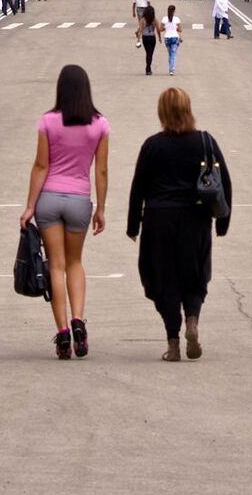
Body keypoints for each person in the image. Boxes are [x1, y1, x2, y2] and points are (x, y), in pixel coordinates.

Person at [127, 87, 232, 362]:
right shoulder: (204, 142)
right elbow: (225, 183)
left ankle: (173, 342)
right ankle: (193, 321)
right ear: (188, 109)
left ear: (161, 112)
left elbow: (138, 187)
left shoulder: (152, 145)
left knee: (163, 280)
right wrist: (222, 224)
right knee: (194, 275)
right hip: (195, 219)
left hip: (158, 220)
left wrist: (132, 227)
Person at [19, 65, 111, 360]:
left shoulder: (48, 121)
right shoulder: (99, 124)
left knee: (54, 265)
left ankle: (61, 333)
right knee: (74, 262)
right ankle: (78, 322)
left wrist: (30, 205)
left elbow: (41, 166)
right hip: (79, 199)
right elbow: (102, 170)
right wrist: (101, 207)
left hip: (48, 199)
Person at [135, 5, 159, 76]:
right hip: (152, 37)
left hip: (145, 38)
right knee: (150, 53)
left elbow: (140, 30)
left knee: (147, 53)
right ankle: (148, 68)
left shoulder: (143, 19)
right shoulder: (154, 19)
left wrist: (138, 40)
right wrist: (160, 37)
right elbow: (158, 29)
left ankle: (148, 68)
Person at [161, 4, 183, 76]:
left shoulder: (164, 19)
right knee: (173, 54)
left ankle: (171, 68)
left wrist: (166, 27)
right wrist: (175, 27)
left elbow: (161, 29)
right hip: (174, 37)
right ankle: (171, 69)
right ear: (174, 11)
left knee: (170, 54)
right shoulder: (177, 19)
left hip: (167, 38)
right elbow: (180, 30)